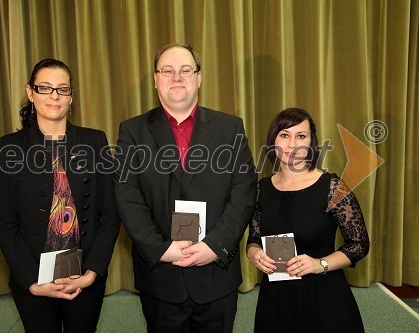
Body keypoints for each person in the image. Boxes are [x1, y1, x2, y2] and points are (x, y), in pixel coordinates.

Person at [114, 43, 257, 332]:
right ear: (155, 79)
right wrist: (162, 249)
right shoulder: (133, 131)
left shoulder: (230, 128)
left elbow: (244, 191)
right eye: (167, 70)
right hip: (161, 276)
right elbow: (127, 197)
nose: (176, 77)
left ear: (199, 77)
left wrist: (214, 246)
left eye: (185, 70)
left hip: (216, 273)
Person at [0, 58, 120, 332]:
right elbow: (4, 221)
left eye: (62, 89)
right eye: (45, 88)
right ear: (30, 92)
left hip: (84, 276)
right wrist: (30, 281)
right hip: (33, 280)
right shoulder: (9, 147)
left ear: (71, 97)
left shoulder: (95, 141)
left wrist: (91, 273)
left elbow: (109, 214)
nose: (54, 96)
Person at [246, 108, 370, 332]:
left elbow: (359, 245)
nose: (292, 144)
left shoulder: (333, 187)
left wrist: (318, 264)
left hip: (324, 295)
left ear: (311, 142)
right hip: (276, 298)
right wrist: (253, 252)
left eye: (301, 136)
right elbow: (254, 236)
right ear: (273, 140)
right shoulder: (261, 189)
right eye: (284, 135)